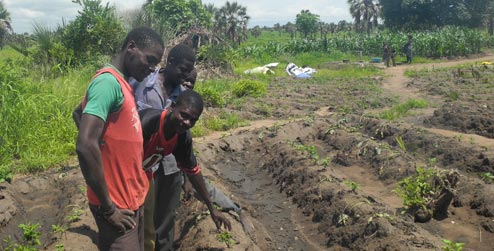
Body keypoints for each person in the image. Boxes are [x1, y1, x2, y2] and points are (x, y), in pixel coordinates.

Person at [131, 44, 253, 251]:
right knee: (138, 221)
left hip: (165, 165)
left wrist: (211, 207)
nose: (187, 75)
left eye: (191, 119)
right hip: (134, 166)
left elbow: (192, 167)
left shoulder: (184, 99)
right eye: (184, 70)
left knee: (164, 220)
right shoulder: (140, 82)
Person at [75, 26, 164, 251]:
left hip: (131, 199)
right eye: (150, 60)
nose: (152, 69)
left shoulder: (122, 84)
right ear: (131, 47)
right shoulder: (108, 83)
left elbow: (79, 113)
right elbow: (85, 145)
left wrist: (105, 147)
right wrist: (108, 208)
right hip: (117, 205)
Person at [139, 90, 233, 248]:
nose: (187, 122)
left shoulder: (181, 136)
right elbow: (122, 159)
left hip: (144, 175)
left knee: (148, 232)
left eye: (193, 120)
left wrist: (212, 209)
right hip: (121, 173)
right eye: (184, 115)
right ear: (173, 107)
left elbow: (194, 172)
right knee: (129, 226)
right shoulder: (148, 123)